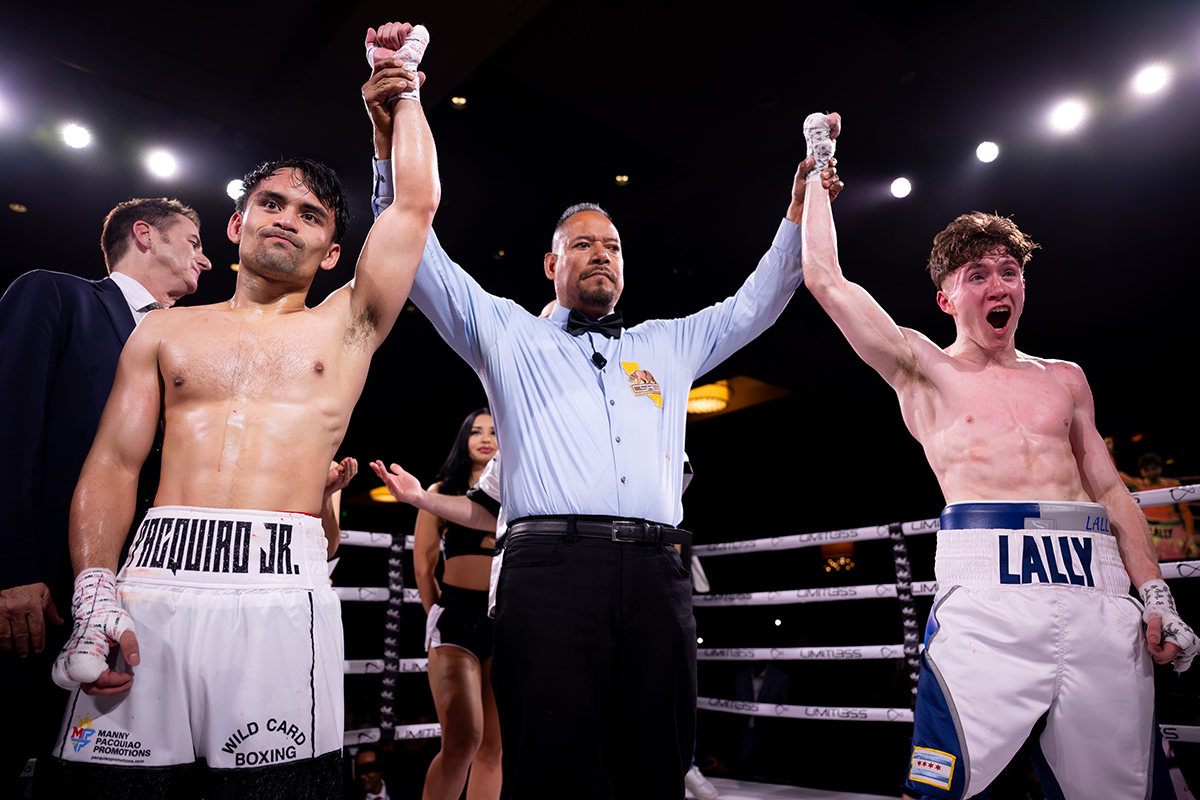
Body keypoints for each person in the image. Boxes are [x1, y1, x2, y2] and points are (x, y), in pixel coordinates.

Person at [362, 26, 841, 797]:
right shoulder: (507, 333)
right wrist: (389, 134)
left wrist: (797, 211)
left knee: (656, 763)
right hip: (549, 567)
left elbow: (761, 301)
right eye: (582, 245)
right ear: (552, 264)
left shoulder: (668, 344)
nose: (601, 255)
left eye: (612, 245)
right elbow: (412, 248)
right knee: (548, 765)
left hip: (657, 569)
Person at [39, 29, 439, 797]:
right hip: (151, 581)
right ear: (237, 224)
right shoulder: (162, 329)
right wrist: (94, 585)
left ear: (330, 252)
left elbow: (416, 205)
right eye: (270, 202)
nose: (287, 218)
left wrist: (403, 89)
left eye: (311, 214)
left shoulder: (346, 323)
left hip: (279, 591)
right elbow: (114, 463)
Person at [798, 182, 1198, 798]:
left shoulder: (1065, 378)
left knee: (1118, 790)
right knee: (940, 787)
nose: (997, 286)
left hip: (1096, 592)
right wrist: (820, 178)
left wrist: (1155, 596)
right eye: (977, 274)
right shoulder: (921, 368)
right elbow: (826, 278)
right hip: (988, 596)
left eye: (1009, 272)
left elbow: (1112, 493)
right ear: (946, 297)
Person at [0, 197, 212, 794]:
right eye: (194, 241)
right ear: (145, 235)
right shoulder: (57, 295)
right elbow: (8, 430)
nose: (206, 258)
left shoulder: (188, 346)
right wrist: (10, 570)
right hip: (36, 585)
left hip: (133, 593)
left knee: (74, 772)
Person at [373, 409, 502, 800]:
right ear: (463, 439)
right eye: (475, 431)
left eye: (494, 431)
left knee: (494, 748)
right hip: (455, 619)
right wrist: (436, 617)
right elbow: (423, 566)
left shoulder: (521, 490)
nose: (484, 437)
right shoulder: (441, 490)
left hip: (504, 617)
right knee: (464, 739)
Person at [1127, 453, 1197, 562]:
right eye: (1147, 469)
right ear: (1142, 471)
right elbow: (1115, 474)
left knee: (1178, 566)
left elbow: (1185, 512)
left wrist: (1191, 538)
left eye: (1154, 468)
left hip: (1173, 531)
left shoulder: (1173, 485)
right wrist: (1109, 453)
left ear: (1160, 469)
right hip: (1151, 531)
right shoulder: (1138, 485)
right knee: (1153, 567)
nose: (1151, 472)